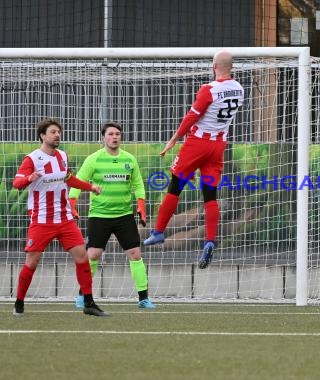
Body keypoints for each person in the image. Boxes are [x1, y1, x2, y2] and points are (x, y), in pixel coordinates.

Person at [143, 50, 244, 270]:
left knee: (174, 187)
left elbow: (191, 117)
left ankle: (158, 232)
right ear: (232, 67)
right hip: (218, 146)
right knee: (210, 195)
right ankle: (209, 240)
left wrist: (173, 140)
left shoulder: (209, 90)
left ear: (213, 65)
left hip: (197, 144)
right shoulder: (239, 89)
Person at [12, 118, 109, 317]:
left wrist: (90, 187)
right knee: (32, 262)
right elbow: (16, 183)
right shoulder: (32, 159)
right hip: (41, 220)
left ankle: (89, 303)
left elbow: (68, 178)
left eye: (59, 132)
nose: (57, 135)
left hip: (64, 218)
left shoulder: (62, 156)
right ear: (42, 135)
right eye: (53, 132)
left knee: (82, 256)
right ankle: (19, 302)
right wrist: (29, 178)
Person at [69, 122, 155, 309]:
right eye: (110, 134)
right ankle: (83, 295)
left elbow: (138, 184)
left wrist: (141, 205)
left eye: (117, 134)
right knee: (93, 254)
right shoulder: (93, 159)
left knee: (135, 254)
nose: (114, 137)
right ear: (103, 137)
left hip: (124, 215)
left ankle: (143, 298)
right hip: (99, 215)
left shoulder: (130, 159)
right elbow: (78, 181)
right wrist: (73, 204)